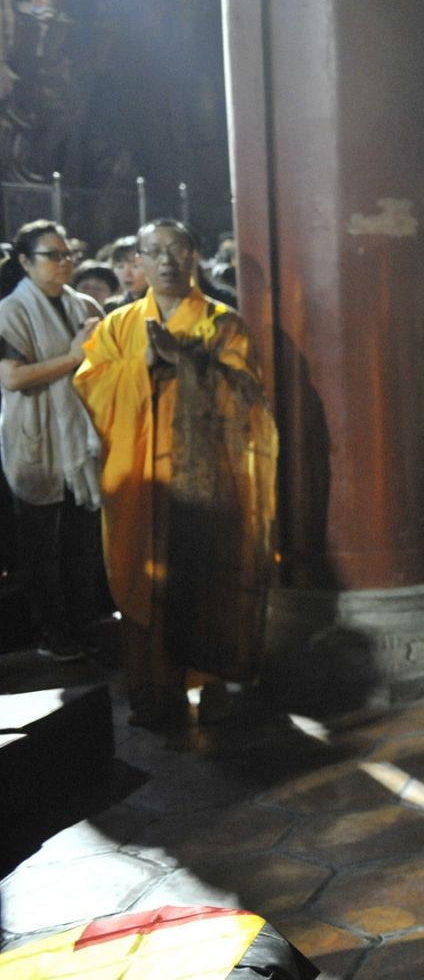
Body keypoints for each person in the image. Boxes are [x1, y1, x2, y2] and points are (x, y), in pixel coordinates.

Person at [74, 219, 277, 729]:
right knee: (143, 577)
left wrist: (186, 360)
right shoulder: (119, 325)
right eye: (153, 251)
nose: (165, 260)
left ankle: (208, 683)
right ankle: (151, 688)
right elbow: (91, 384)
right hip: (142, 477)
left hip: (205, 481)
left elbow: (247, 397)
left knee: (204, 575)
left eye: (177, 248)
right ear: (137, 261)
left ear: (194, 257)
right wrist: (144, 362)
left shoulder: (222, 322)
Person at [0, 221, 105, 662]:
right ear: (26, 261)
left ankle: (85, 623)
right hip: (37, 435)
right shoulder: (11, 310)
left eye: (68, 254)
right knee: (41, 546)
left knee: (82, 541)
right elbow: (14, 378)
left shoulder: (84, 303)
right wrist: (73, 357)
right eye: (53, 255)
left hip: (80, 435)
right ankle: (52, 631)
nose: (65, 262)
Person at [103, 235, 145, 312]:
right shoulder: (112, 307)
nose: (127, 274)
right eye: (120, 267)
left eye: (135, 266)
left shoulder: (162, 304)